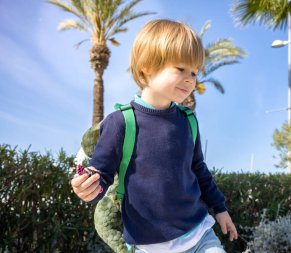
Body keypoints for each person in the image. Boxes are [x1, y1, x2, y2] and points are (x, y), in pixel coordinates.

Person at [71, 19, 238, 253]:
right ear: (147, 66)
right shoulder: (120, 122)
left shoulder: (188, 121)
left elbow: (199, 169)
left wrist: (220, 209)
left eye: (194, 72)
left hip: (200, 236)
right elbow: (102, 176)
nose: (191, 79)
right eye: (181, 69)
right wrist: (88, 188)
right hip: (148, 247)